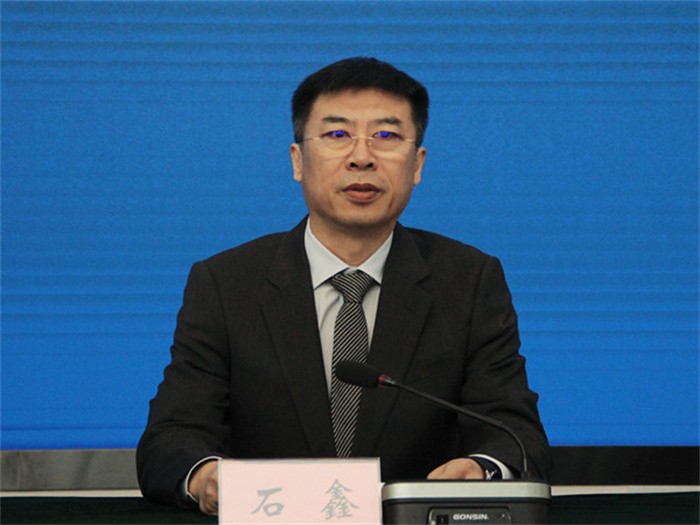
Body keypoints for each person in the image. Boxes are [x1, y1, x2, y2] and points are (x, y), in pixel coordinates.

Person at [136, 57, 551, 516]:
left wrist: (483, 469)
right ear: (297, 160)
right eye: (337, 134)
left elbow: (516, 433)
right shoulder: (225, 283)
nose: (362, 157)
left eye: (386, 136)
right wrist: (206, 476)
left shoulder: (469, 281)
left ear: (417, 164)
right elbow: (170, 439)